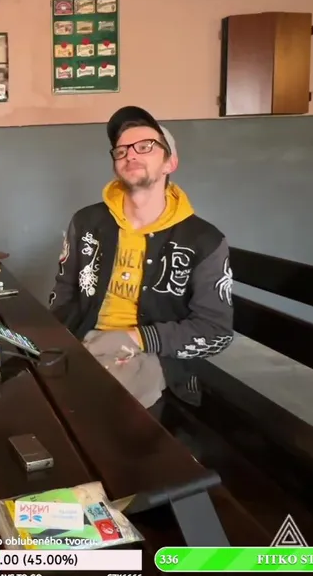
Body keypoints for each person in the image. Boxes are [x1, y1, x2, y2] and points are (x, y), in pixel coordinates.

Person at [48, 106, 234, 420]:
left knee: (91, 404)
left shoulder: (204, 240)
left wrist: (136, 338)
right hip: (84, 343)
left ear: (170, 162)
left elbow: (216, 331)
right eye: (121, 150)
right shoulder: (87, 222)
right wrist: (62, 341)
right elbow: (64, 292)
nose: (130, 154)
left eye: (145, 146)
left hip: (156, 355)